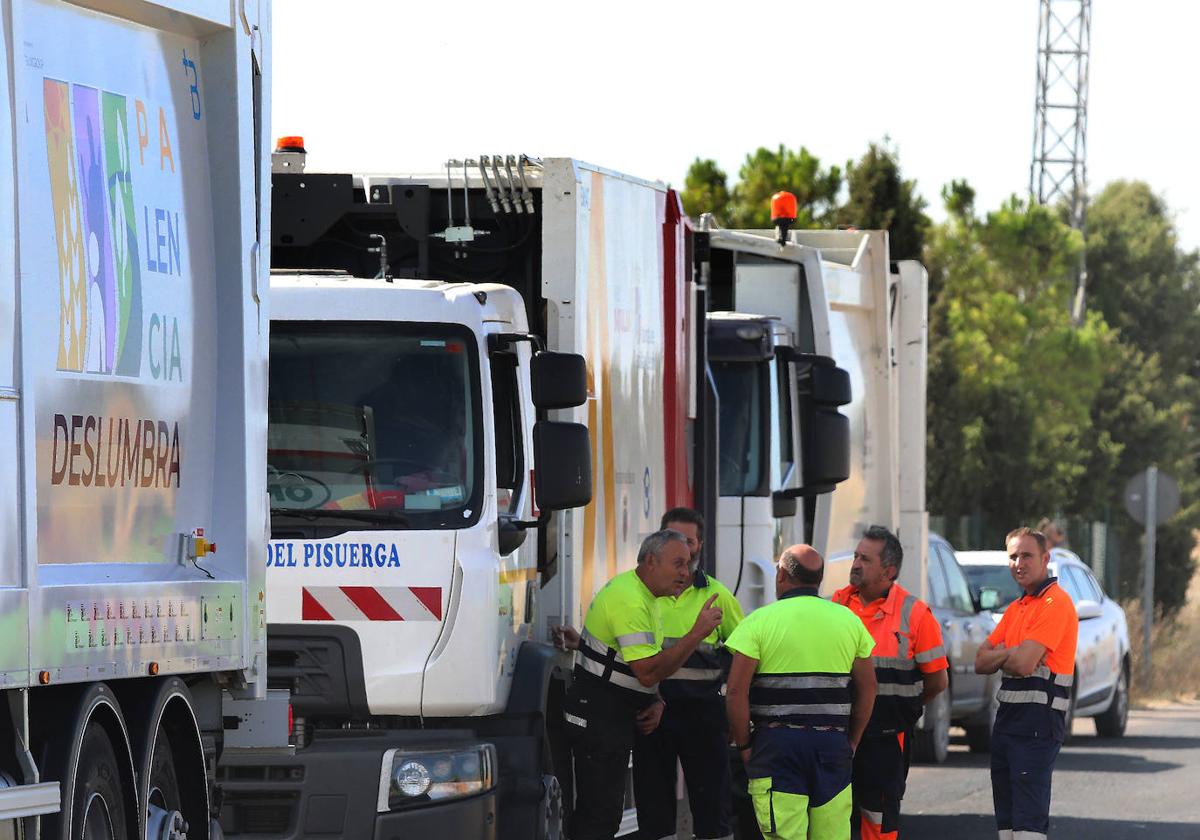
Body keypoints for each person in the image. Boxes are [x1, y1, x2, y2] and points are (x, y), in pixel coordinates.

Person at [555, 529, 724, 840]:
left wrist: (655, 699)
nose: (685, 573)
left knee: (604, 813)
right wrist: (696, 633)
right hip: (599, 715)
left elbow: (641, 666)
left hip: (608, 715)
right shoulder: (632, 601)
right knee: (600, 815)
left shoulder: (645, 596)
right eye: (678, 564)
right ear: (651, 561)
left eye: (687, 564)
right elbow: (647, 671)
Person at [725, 544, 877, 840]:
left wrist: (744, 746)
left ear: (781, 575)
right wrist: (852, 741)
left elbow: (735, 691)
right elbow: (868, 688)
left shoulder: (758, 621)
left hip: (777, 746)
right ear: (818, 580)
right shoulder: (848, 621)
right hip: (832, 743)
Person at [633, 508, 744, 840]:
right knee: (654, 813)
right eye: (673, 538)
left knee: (712, 809)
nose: (681, 547)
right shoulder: (638, 596)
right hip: (651, 714)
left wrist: (733, 709)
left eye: (689, 541)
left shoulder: (717, 595)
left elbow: (745, 655)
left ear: (699, 546)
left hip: (704, 717)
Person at [831, 526, 949, 840]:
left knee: (878, 819)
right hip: (836, 733)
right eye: (856, 556)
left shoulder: (915, 614)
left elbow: (937, 680)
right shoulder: (837, 605)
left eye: (865, 559)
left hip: (886, 739)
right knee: (832, 818)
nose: (855, 564)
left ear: (889, 570)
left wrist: (907, 707)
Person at [974, 527, 1078, 840]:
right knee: (1007, 826)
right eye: (1013, 556)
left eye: (1026, 555)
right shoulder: (1017, 608)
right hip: (1007, 723)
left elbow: (1022, 664)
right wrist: (1012, 652)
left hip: (1037, 724)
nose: (1019, 562)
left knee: (1028, 825)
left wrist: (1005, 655)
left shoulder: (1055, 603)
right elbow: (980, 661)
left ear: (1045, 558)